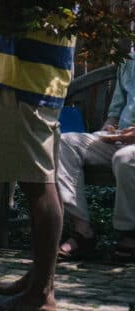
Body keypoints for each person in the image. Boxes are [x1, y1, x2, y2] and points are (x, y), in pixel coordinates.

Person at [0, 23, 75, 311]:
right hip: (29, 78)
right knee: (36, 180)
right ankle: (39, 276)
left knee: (38, 182)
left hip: (28, 81)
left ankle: (41, 292)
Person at [57, 58, 135, 263]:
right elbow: (115, 112)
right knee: (65, 143)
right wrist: (109, 129)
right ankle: (83, 232)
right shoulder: (129, 61)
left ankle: (129, 233)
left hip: (128, 149)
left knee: (125, 158)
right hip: (121, 139)